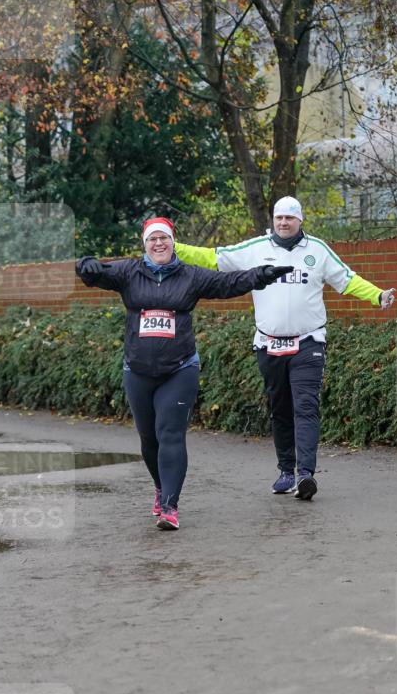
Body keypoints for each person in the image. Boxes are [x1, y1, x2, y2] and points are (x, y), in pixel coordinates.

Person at [75, 218, 292, 531]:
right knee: (149, 438)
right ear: (144, 244)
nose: (159, 243)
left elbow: (228, 283)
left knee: (170, 434)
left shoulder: (190, 276)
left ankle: (170, 507)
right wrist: (86, 265)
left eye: (164, 238)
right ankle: (160, 487)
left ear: (173, 241)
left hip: (180, 368)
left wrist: (262, 275)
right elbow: (95, 273)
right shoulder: (129, 272)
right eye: (153, 239)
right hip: (137, 370)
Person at [175, 197, 396, 500]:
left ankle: (306, 474)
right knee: (280, 409)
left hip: (309, 342)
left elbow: (346, 280)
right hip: (269, 343)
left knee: (305, 406)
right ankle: (285, 472)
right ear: (274, 220)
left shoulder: (317, 251)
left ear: (300, 221)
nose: (283, 223)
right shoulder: (256, 248)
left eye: (290, 218)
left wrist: (378, 295)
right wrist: (171, 246)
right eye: (279, 218)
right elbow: (215, 257)